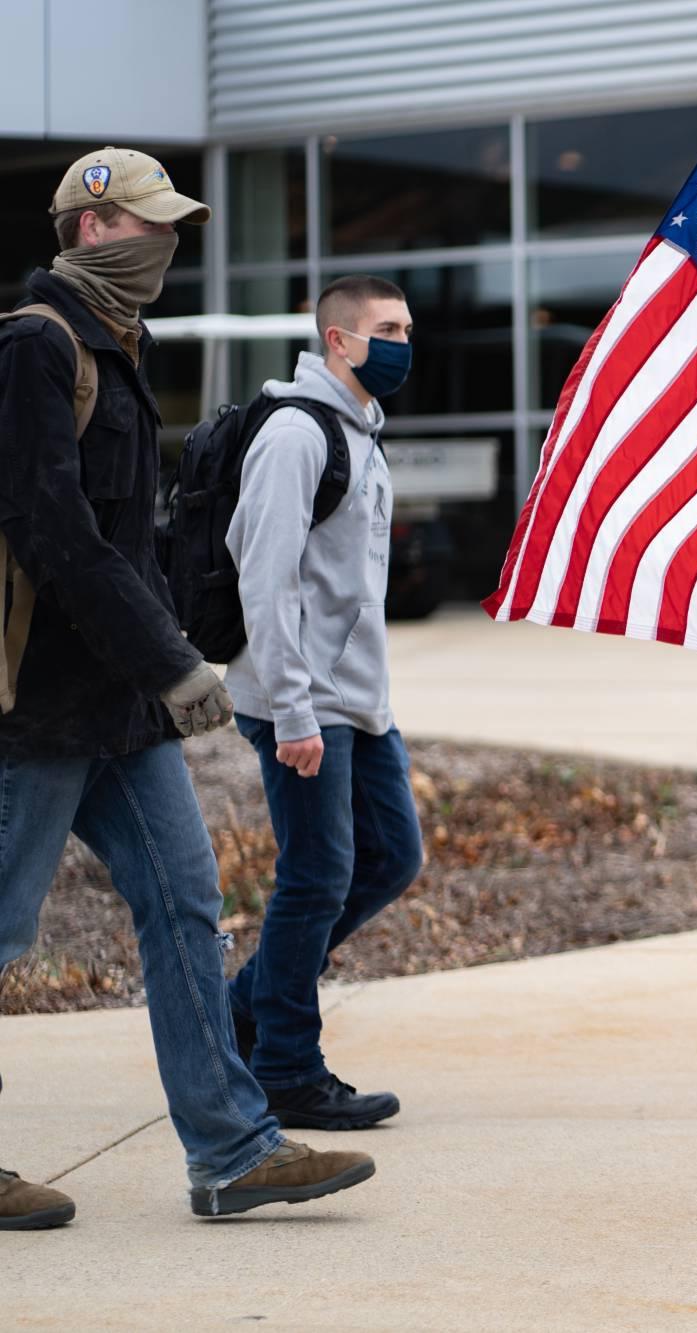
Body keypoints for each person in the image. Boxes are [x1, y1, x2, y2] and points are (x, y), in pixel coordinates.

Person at [0, 147, 375, 1225]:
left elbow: (127, 533)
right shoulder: (37, 348)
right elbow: (49, 526)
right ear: (90, 228)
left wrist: (174, 643)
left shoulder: (119, 343)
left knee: (186, 910)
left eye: (173, 227)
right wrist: (166, 659)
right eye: (147, 225)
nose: (166, 246)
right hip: (37, 704)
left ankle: (231, 1150)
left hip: (118, 704)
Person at [222, 276, 423, 1132]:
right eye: (386, 328)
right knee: (315, 876)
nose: (403, 343)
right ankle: (287, 1070)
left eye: (408, 328)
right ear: (338, 341)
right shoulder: (297, 434)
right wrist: (294, 711)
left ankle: (244, 1007)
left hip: (358, 702)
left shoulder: (362, 435)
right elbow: (263, 579)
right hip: (299, 700)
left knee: (392, 856)